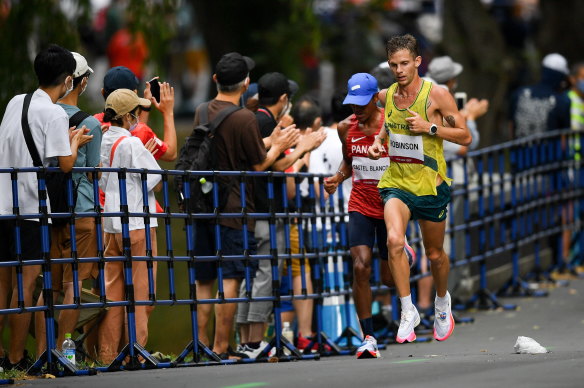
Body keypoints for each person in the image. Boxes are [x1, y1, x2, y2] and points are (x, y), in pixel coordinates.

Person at [193, 53, 298, 360]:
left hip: (203, 204)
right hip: (233, 208)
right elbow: (257, 164)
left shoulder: (201, 111)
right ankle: (221, 346)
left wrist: (269, 143)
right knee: (231, 276)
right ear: (246, 83)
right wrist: (277, 145)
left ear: (215, 80)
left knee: (204, 278)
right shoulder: (244, 118)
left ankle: (201, 345)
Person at [368, 34, 471, 344]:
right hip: (397, 183)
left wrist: (430, 128)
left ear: (416, 62)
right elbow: (386, 125)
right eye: (393, 65)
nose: (399, 70)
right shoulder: (386, 97)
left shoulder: (436, 95)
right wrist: (378, 141)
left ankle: (441, 302)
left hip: (430, 186)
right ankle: (407, 308)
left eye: (404, 64)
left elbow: (465, 136)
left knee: (436, 255)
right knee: (394, 241)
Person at [0, 44, 92, 370]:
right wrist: (75, 142)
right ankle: (14, 357)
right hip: (29, 206)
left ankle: (2, 355)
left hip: (3, 202)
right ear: (68, 80)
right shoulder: (53, 112)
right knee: (25, 284)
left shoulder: (15, 102)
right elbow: (65, 164)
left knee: (4, 283)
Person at [324, 73, 415, 358]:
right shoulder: (344, 128)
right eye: (353, 103)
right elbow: (349, 161)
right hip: (361, 203)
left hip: (391, 203)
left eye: (363, 102)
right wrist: (338, 178)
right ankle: (368, 337)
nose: (357, 109)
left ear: (377, 98)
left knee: (389, 280)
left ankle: (405, 254)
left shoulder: (391, 126)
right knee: (360, 266)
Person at [236, 72, 323, 358]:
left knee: (254, 275)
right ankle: (252, 342)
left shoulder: (255, 119)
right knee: (264, 274)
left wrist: (294, 149)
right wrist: (304, 149)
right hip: (265, 209)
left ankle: (247, 340)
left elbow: (270, 161)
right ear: (284, 99)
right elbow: (268, 164)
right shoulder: (264, 122)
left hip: (253, 209)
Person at [34, 52, 103, 357]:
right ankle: (65, 352)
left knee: (50, 284)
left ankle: (41, 352)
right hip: (82, 209)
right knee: (74, 284)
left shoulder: (42, 114)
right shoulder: (89, 123)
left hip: (50, 208)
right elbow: (92, 171)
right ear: (81, 81)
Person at [97, 89, 162, 364]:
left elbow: (100, 180)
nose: (138, 116)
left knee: (113, 292)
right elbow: (154, 177)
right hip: (137, 222)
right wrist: (145, 157)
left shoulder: (103, 140)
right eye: (136, 112)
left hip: (110, 223)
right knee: (141, 290)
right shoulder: (132, 143)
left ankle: (108, 354)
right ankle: (134, 352)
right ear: (127, 116)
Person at [95, 66, 177, 163]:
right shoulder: (141, 131)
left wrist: (145, 107)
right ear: (135, 93)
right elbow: (171, 154)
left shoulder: (93, 123)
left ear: (102, 92)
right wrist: (168, 112)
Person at [509, 53, 571, 139]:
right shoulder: (561, 101)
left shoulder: (519, 93)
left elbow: (511, 127)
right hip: (549, 152)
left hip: (518, 151)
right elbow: (564, 138)